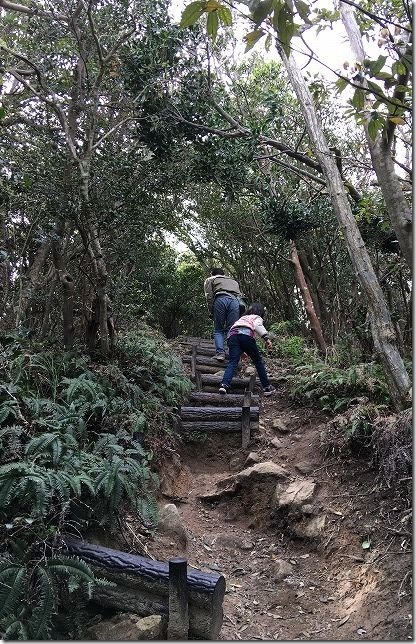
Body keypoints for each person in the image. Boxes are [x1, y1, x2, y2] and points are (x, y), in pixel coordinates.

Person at [219, 303, 276, 396]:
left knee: (233, 362)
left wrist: (241, 352)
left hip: (232, 337)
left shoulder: (242, 318)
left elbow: (237, 333)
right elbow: (257, 326)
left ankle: (224, 385)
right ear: (260, 312)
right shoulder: (257, 317)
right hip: (246, 335)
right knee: (258, 361)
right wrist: (266, 338)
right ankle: (266, 387)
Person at [204, 267, 242, 361]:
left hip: (220, 299)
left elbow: (209, 296)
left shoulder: (210, 279)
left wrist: (211, 310)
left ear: (212, 274)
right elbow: (240, 296)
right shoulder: (233, 281)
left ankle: (220, 353)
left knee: (218, 329)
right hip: (234, 301)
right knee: (231, 329)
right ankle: (232, 353)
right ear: (223, 274)